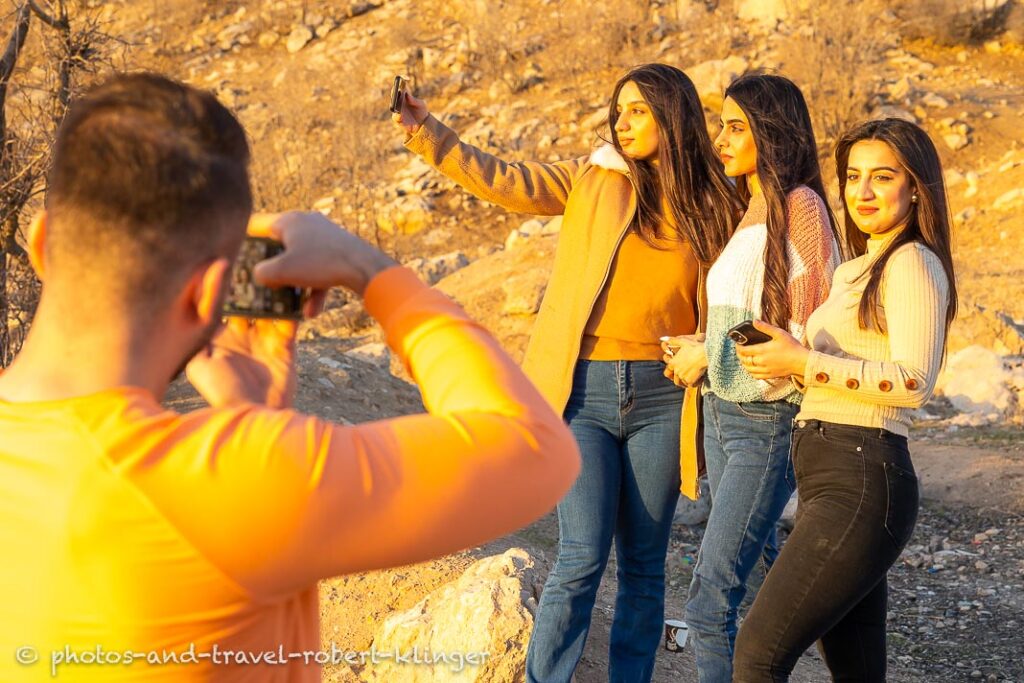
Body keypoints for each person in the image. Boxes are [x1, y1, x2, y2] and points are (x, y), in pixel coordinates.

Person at [0, 72, 580, 682]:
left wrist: (254, 417)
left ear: (41, 245)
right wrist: (370, 269)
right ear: (209, 294)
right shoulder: (226, 482)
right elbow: (535, 446)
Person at [393, 63, 742, 681]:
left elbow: (740, 288)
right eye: (620, 109)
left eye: (639, 110)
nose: (623, 121)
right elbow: (510, 180)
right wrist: (429, 134)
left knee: (643, 564)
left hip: (666, 396)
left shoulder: (714, 198)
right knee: (580, 556)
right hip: (582, 393)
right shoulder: (595, 179)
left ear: (674, 113)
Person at [731, 118, 957, 682]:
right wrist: (782, 359)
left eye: (882, 177)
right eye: (853, 176)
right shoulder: (858, 269)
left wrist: (804, 361)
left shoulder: (912, 263)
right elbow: (840, 372)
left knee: (758, 653)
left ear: (916, 187)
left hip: (862, 476)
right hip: (831, 472)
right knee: (857, 672)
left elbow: (913, 381)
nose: (862, 191)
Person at [662, 73, 840, 683]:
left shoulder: (802, 209)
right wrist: (702, 344)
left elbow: (802, 329)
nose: (722, 138)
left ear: (773, 133)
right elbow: (748, 319)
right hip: (723, 413)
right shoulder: (752, 210)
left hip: (765, 422)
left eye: (736, 126)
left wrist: (709, 357)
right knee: (756, 574)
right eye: (721, 124)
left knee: (710, 599)